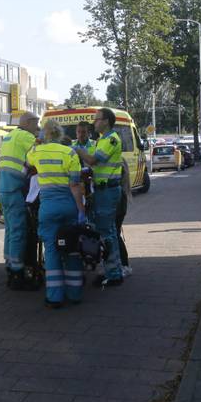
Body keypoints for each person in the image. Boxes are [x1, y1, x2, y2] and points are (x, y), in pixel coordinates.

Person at [26, 119, 86, 308]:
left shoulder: (36, 152)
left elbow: (27, 163)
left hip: (48, 208)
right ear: (60, 134)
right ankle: (75, 294)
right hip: (68, 206)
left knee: (51, 250)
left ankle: (54, 297)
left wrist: (37, 143)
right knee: (71, 248)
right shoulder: (70, 152)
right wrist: (81, 211)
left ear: (44, 134)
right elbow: (75, 185)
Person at [75, 108, 124, 287]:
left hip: (107, 191)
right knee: (108, 230)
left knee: (107, 232)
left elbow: (94, 161)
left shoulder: (111, 139)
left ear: (106, 121)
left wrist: (77, 151)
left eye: (96, 120)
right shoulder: (101, 140)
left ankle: (114, 273)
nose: (94, 123)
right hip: (103, 190)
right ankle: (113, 270)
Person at [0, 111, 39, 290]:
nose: (37, 129)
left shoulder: (9, 136)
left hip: (3, 187)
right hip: (14, 188)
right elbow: (41, 154)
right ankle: (17, 273)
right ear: (28, 123)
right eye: (36, 125)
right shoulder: (25, 136)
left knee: (10, 229)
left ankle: (9, 264)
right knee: (18, 230)